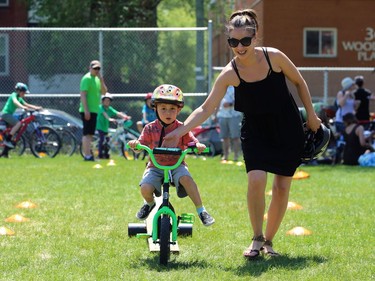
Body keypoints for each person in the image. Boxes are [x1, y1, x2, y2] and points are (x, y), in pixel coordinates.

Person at [162, 9, 321, 258]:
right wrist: (180, 130)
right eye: (233, 41)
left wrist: (311, 116)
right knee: (256, 180)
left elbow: (299, 81)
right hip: (255, 132)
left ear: (255, 38)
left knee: (281, 188)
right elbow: (206, 107)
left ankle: (269, 241)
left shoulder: (274, 58)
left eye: (245, 40)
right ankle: (256, 238)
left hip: (287, 129)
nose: (239, 46)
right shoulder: (229, 73)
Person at [127, 84, 215, 226]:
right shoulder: (149, 128)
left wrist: (198, 146)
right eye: (163, 109)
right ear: (155, 108)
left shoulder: (182, 128)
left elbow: (192, 142)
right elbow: (140, 146)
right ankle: (149, 204)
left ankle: (201, 211)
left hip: (177, 165)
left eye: (172, 109)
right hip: (155, 166)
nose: (168, 113)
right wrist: (134, 145)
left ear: (179, 110)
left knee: (187, 179)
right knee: (145, 188)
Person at [79, 60, 107, 161]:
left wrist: (101, 80)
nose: (96, 70)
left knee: (90, 134)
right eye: (95, 68)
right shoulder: (86, 78)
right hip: (87, 110)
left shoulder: (97, 79)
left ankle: (89, 155)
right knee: (87, 134)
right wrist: (86, 110)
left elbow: (104, 92)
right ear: (90, 68)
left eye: (98, 68)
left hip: (94, 111)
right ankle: (87, 156)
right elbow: (83, 95)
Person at [0, 82, 42, 149]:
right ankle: (7, 140)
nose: (24, 94)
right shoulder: (13, 95)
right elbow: (15, 102)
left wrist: (36, 107)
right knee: (18, 123)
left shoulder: (19, 98)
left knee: (19, 125)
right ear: (18, 91)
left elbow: (26, 104)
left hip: (9, 115)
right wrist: (23, 107)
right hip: (5, 114)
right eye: (23, 92)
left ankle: (5, 152)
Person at [96, 93, 131, 159]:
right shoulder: (100, 107)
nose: (107, 102)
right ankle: (99, 154)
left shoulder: (109, 108)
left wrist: (125, 117)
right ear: (102, 101)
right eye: (105, 100)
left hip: (105, 128)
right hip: (99, 127)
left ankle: (106, 154)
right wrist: (110, 119)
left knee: (107, 141)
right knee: (102, 140)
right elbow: (105, 114)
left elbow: (117, 113)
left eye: (108, 101)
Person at [214, 85, 242, 162]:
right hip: (222, 115)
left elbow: (240, 100)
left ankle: (236, 156)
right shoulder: (221, 87)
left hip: (234, 115)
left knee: (235, 137)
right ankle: (225, 156)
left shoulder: (237, 86)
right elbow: (218, 102)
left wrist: (229, 104)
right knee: (224, 137)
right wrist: (215, 114)